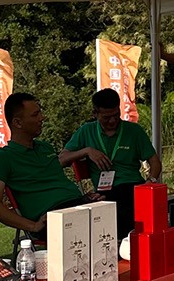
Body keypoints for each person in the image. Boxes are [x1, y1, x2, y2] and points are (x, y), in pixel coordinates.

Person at [0, 92, 108, 243]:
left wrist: (85, 198)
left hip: (76, 206)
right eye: (35, 114)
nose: (42, 118)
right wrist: (33, 226)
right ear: (18, 123)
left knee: (117, 212)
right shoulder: (1, 158)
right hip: (51, 217)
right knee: (102, 231)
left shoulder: (45, 148)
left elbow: (58, 184)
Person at [65, 89, 161, 239]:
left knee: (149, 208)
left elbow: (154, 161)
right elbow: (61, 159)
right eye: (106, 117)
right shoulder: (86, 131)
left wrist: (151, 181)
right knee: (116, 211)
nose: (112, 121)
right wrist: (87, 151)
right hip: (104, 191)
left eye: (116, 115)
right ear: (95, 114)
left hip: (133, 186)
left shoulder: (134, 130)